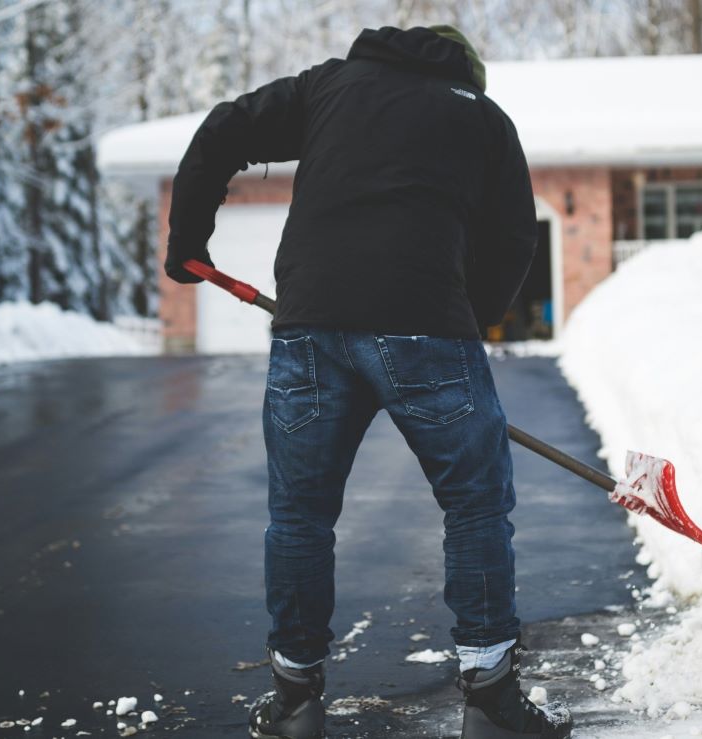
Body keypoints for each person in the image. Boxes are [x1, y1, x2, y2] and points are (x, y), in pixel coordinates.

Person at [165, 24, 571, 739]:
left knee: (299, 514)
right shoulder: (478, 115)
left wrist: (187, 237)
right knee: (475, 506)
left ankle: (294, 699)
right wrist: (462, 323)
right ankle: (490, 698)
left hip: (310, 325)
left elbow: (226, 126)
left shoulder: (328, 87)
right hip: (426, 325)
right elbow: (513, 237)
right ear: (468, 72)